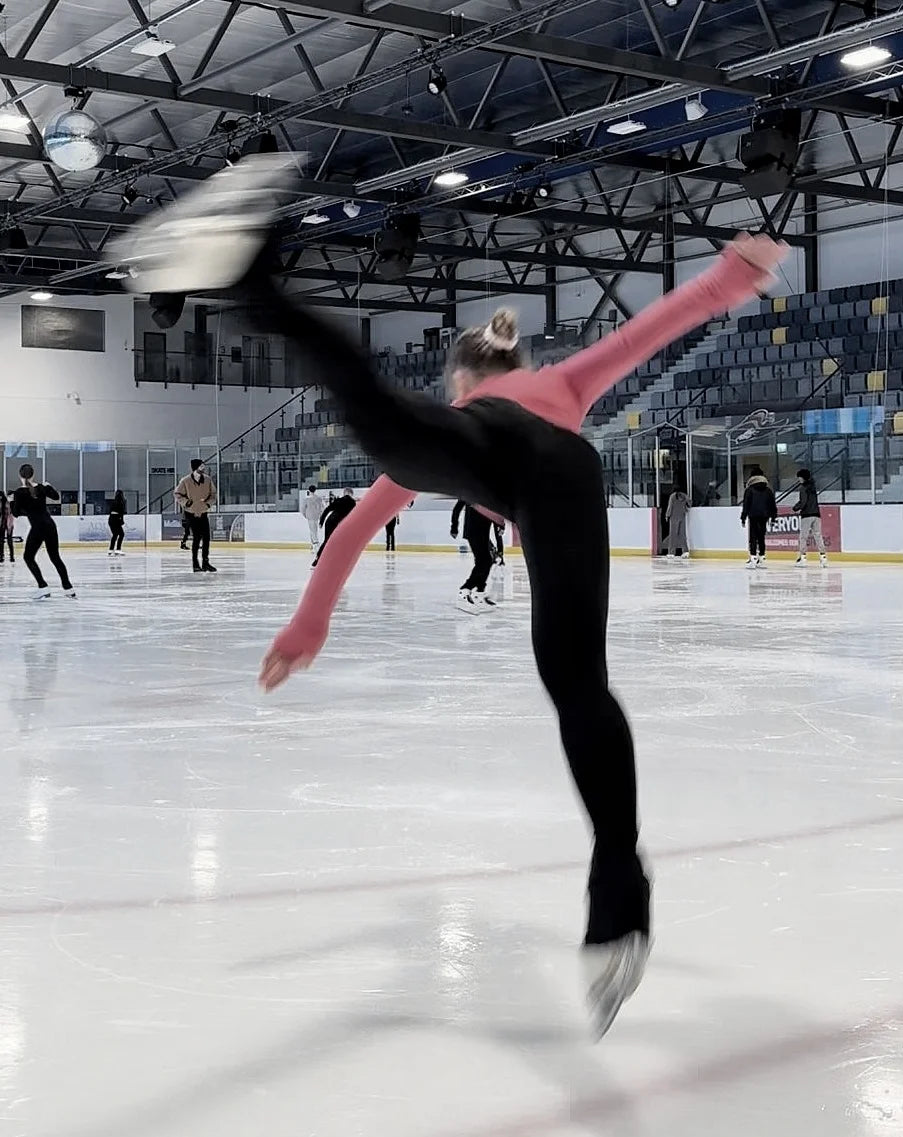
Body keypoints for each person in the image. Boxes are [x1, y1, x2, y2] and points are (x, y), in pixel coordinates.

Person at [112, 153, 786, 1037]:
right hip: (563, 480)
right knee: (577, 682)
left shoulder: (458, 424)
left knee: (377, 420)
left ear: (460, 384)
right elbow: (652, 329)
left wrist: (308, 622)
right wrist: (735, 274)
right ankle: (618, 888)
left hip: (499, 462)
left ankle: (252, 277)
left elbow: (351, 531)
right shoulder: (561, 386)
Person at [10, 463, 75, 599]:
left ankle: (43, 586)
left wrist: (11, 501)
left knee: (28, 557)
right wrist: (48, 486)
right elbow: (56, 497)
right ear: (33, 474)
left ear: (20, 475)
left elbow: (15, 513)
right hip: (50, 525)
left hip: (38, 528)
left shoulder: (19, 493)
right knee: (55, 557)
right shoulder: (41, 488)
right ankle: (68, 588)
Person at [451, 500, 496, 610]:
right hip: (473, 531)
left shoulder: (487, 494)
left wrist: (500, 525)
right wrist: (454, 527)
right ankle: (465, 590)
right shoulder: (472, 492)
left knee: (487, 560)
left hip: (484, 532)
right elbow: (457, 508)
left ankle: (479, 594)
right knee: (483, 561)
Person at [174, 458, 217, 573]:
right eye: (201, 466)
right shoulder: (185, 481)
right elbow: (177, 494)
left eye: (203, 466)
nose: (203, 468)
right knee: (197, 538)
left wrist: (208, 504)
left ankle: (205, 562)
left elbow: (213, 494)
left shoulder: (207, 480)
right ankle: (195, 563)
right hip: (190, 513)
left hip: (203, 512)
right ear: (196, 467)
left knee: (206, 538)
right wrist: (186, 502)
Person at [740, 466, 777, 569]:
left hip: (753, 515)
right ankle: (761, 558)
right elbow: (772, 505)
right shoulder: (768, 490)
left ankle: (752, 558)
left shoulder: (749, 490)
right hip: (764, 516)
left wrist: (743, 517)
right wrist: (773, 517)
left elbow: (746, 504)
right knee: (761, 537)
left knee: (753, 537)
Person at [793, 468, 827, 568]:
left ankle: (802, 558)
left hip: (807, 515)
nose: (798, 479)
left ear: (803, 477)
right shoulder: (813, 487)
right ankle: (823, 557)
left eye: (799, 477)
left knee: (803, 537)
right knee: (818, 536)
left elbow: (803, 502)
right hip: (816, 514)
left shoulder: (803, 488)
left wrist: (795, 508)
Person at [313, 488, 356, 567]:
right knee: (341, 541)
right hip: (339, 523)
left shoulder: (338, 500)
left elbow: (327, 510)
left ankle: (317, 559)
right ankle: (340, 559)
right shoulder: (353, 502)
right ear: (351, 493)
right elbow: (353, 515)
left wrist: (321, 522)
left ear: (345, 493)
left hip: (329, 521)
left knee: (326, 541)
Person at [664, 487, 690, 559]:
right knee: (682, 535)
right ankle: (685, 551)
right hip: (682, 516)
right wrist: (685, 508)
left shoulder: (672, 496)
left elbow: (670, 506)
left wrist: (667, 515)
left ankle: (671, 552)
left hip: (674, 517)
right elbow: (689, 503)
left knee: (673, 535)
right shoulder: (685, 496)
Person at [301, 484, 325, 550]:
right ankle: (313, 543)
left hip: (310, 516)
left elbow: (303, 509)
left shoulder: (306, 499)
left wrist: (305, 515)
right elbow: (322, 508)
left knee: (312, 530)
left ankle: (315, 543)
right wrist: (320, 514)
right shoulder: (319, 498)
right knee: (314, 529)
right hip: (316, 516)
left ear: (309, 490)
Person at [108, 489, 127, 557]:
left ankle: (110, 549)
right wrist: (121, 520)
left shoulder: (113, 502)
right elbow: (121, 513)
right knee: (121, 534)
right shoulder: (121, 502)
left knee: (115, 534)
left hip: (111, 519)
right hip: (117, 519)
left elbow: (110, 511)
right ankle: (118, 549)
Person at [0, 490, 14, 564]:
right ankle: (1, 556)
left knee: (9, 540)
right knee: (1, 541)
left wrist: (9, 526)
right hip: (2, 523)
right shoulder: (2, 504)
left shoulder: (8, 503)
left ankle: (11, 556)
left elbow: (11, 515)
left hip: (9, 524)